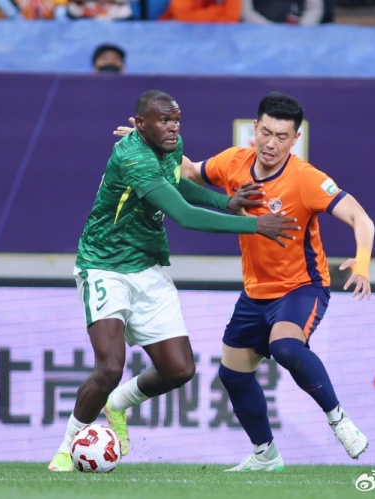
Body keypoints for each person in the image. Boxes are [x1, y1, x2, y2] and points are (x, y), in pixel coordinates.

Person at [106, 91, 374, 471]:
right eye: (266, 132)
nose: (271, 143)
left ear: (295, 138)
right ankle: (266, 455)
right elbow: (188, 171)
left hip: (301, 287)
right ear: (255, 128)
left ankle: (338, 420)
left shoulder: (305, 179)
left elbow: (362, 218)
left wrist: (362, 262)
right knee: (232, 375)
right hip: (254, 294)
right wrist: (144, 143)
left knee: (285, 347)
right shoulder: (234, 162)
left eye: (282, 136)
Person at [47, 90, 300, 472]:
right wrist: (254, 225)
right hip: (105, 265)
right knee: (110, 367)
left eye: (176, 120)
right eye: (164, 120)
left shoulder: (170, 147)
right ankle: (67, 449)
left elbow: (175, 184)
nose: (173, 128)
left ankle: (117, 404)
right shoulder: (132, 157)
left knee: (179, 369)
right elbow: (183, 215)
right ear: (140, 124)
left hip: (148, 266)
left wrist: (223, 201)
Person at [159, 0, 241, 22]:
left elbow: (231, 17)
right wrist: (218, 10)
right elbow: (184, 17)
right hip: (180, 33)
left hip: (219, 34)